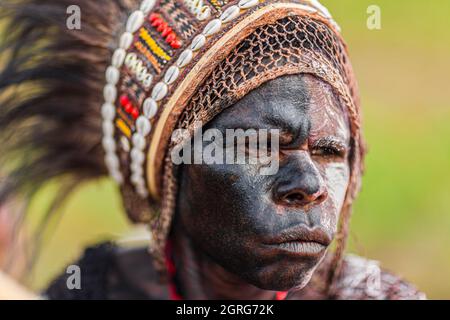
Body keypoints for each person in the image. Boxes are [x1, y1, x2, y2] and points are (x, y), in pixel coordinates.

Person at [0, 0, 425, 299]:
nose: (309, 186)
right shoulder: (98, 288)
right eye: (258, 148)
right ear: (172, 169)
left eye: (331, 152)